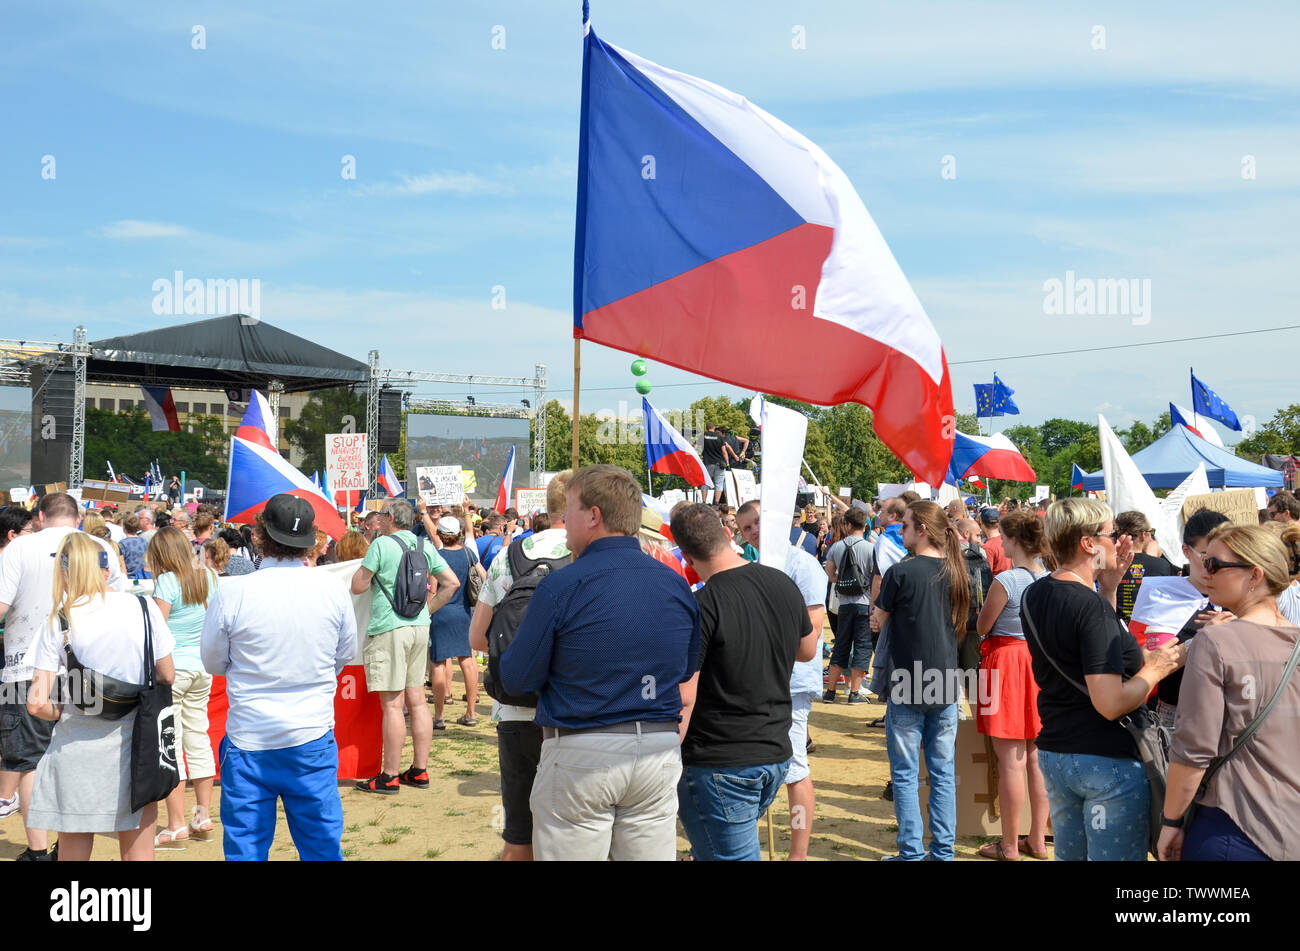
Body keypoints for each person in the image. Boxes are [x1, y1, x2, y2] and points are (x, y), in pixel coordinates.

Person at [498, 465, 700, 861]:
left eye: (570, 509)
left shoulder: (561, 585)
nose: (564, 520)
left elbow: (517, 678)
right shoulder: (674, 583)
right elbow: (683, 669)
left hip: (584, 750)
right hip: (657, 750)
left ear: (594, 516)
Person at [1020, 498, 1184, 861]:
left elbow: (1086, 649)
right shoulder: (1087, 606)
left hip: (1057, 751)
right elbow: (1109, 703)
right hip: (1104, 758)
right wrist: (1156, 667)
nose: (1121, 543)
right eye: (1112, 534)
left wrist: (1108, 588)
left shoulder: (1036, 592)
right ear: (1087, 543)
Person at [201, 496, 357, 860]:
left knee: (246, 850)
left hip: (251, 738)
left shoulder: (231, 593)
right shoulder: (332, 590)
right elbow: (343, 655)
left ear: (258, 536)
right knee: (321, 847)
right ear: (312, 541)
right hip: (310, 735)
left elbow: (213, 662)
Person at [672, 503, 816, 860]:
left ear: (688, 558)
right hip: (772, 755)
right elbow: (806, 648)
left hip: (722, 763)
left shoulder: (703, 605)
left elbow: (684, 695)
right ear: (728, 534)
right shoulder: (780, 583)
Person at [25, 533, 176, 861]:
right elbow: (167, 674)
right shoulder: (144, 607)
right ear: (107, 571)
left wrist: (66, 710)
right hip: (137, 743)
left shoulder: (59, 620)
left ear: (65, 573)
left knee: (74, 848)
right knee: (138, 849)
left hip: (76, 742)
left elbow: (36, 702)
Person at [1159, 525, 1300, 861]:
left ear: (1255, 575)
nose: (1205, 573)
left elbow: (1193, 749)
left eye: (1215, 565)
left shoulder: (1214, 642)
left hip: (1233, 825)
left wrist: (1170, 820)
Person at [0, 492, 124, 861]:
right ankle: (65, 844)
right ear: (79, 518)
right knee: (79, 755)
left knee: (28, 759)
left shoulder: (20, 548)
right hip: (90, 668)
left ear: (39, 516)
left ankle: (40, 851)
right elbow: (117, 601)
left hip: (26, 666)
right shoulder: (100, 545)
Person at [468, 470, 572, 861]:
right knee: (580, 832)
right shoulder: (589, 552)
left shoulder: (509, 556)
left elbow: (477, 640)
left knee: (519, 838)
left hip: (514, 707)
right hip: (572, 710)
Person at [870, 500, 969, 861]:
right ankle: (942, 853)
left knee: (907, 773)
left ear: (922, 529)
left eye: (907, 524)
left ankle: (911, 853)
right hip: (944, 679)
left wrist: (880, 618)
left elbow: (878, 618)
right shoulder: (957, 571)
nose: (901, 530)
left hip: (909, 680)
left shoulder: (902, 572)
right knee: (942, 773)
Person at [735, 499, 825, 860]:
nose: (754, 531)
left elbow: (813, 631)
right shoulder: (744, 566)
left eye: (757, 522)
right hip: (751, 680)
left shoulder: (804, 564)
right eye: (746, 528)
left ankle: (798, 854)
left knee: (794, 767)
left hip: (792, 682)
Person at [351, 499, 460, 794]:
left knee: (392, 705)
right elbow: (451, 583)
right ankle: (420, 771)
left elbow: (358, 586)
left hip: (389, 627)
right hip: (419, 625)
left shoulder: (381, 545)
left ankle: (389, 775)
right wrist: (429, 609)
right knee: (418, 701)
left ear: (388, 518)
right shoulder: (424, 545)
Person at [974, 510, 1051, 860]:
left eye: (1005, 537)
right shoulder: (1050, 578)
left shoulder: (1006, 580)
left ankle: (1009, 846)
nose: (1000, 542)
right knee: (1036, 759)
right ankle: (1036, 839)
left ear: (1015, 540)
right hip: (1039, 665)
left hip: (1006, 664)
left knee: (1011, 761)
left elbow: (982, 625)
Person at [147, 525, 220, 847]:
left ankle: (176, 824)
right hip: (203, 668)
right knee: (198, 738)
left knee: (170, 746)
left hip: (173, 670)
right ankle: (203, 815)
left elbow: (156, 630)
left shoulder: (166, 581)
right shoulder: (210, 576)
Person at [429, 516, 484, 730]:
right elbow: (483, 577)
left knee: (439, 663)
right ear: (459, 534)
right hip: (463, 612)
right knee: (467, 661)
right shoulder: (469, 554)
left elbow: (433, 589)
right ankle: (470, 712)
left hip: (440, 612)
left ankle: (440, 716)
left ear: (440, 534)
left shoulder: (437, 556)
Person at [823, 506, 874, 703]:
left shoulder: (836, 547)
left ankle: (831, 692)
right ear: (864, 525)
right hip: (864, 602)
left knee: (841, 646)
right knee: (862, 647)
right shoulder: (870, 548)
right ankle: (854, 692)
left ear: (848, 524)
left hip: (844, 603)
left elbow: (829, 574)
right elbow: (874, 575)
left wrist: (842, 581)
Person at [1113, 510, 1177, 622]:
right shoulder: (1161, 565)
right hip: (1149, 633)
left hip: (1117, 630)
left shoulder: (1109, 565)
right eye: (1150, 532)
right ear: (1143, 535)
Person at [979, 507, 1013, 575]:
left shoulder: (988, 547)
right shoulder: (1007, 540)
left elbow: (986, 575)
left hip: (996, 583)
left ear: (982, 523)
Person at [700, 423, 726, 504]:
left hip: (707, 463)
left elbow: (696, 448)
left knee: (705, 483)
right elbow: (724, 451)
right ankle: (717, 503)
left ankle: (704, 502)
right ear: (714, 428)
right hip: (719, 463)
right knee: (719, 484)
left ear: (706, 428)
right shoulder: (719, 437)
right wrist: (727, 463)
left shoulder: (703, 436)